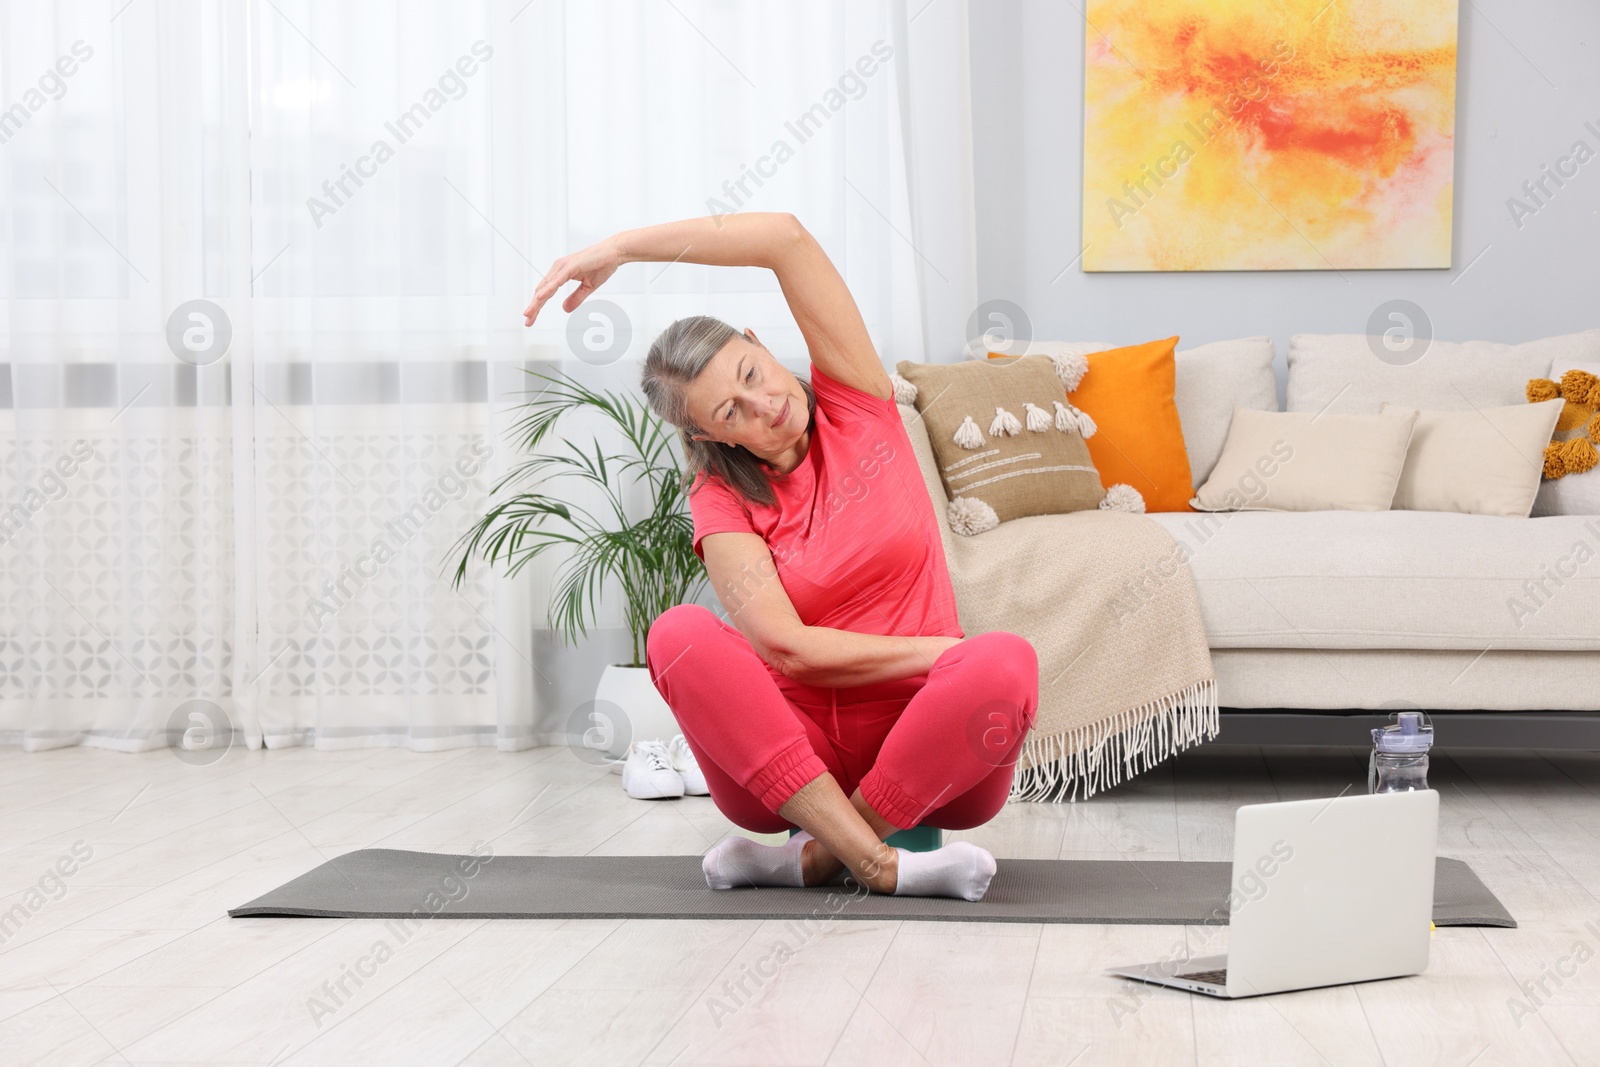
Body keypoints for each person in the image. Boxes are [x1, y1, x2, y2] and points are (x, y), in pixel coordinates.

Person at [523, 212, 1039, 901]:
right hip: (792, 767)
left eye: (751, 372)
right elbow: (787, 649)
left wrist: (619, 247)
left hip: (929, 744)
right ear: (710, 433)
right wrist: (940, 652)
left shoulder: (857, 403)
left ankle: (812, 860)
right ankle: (879, 864)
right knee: (676, 634)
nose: (764, 405)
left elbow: (785, 239)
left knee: (1008, 660)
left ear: (762, 344)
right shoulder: (719, 497)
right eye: (731, 412)